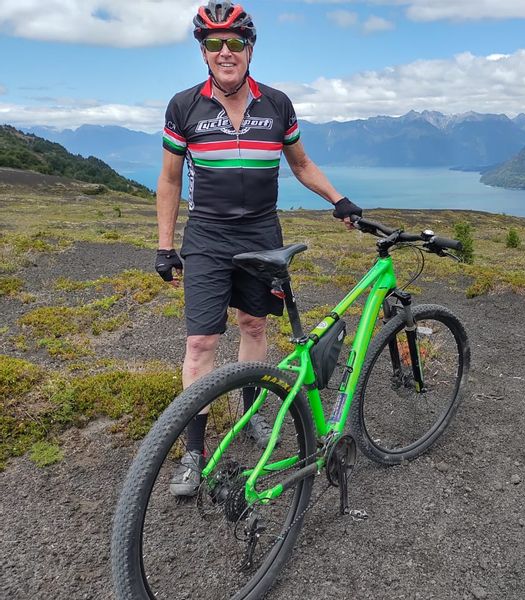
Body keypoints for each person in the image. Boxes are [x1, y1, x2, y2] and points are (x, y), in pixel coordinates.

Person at [155, 1, 362, 496]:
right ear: (202, 52)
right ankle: (193, 453)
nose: (225, 52)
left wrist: (339, 200)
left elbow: (301, 163)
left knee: (253, 325)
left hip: (261, 234)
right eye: (213, 43)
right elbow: (168, 180)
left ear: (250, 48)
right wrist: (165, 247)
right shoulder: (184, 106)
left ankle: (250, 414)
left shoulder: (277, 104)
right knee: (201, 343)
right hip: (206, 235)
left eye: (235, 43)